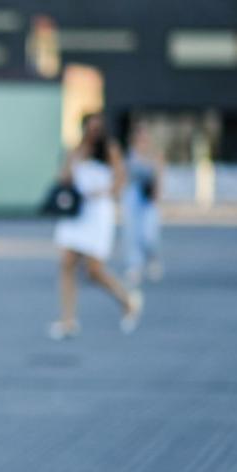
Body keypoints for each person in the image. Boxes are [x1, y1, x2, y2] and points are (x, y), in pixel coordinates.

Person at [50, 113, 143, 339]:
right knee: (67, 263)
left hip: (98, 213)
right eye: (89, 128)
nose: (93, 133)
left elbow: (120, 181)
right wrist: (72, 162)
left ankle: (127, 300)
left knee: (94, 270)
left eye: (97, 129)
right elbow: (63, 178)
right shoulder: (77, 150)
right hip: (77, 212)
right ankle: (67, 319)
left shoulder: (110, 150)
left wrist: (102, 192)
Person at [121, 124, 164, 287]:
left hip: (148, 198)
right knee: (132, 233)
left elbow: (159, 176)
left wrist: (158, 195)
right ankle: (134, 265)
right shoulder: (129, 155)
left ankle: (152, 257)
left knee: (148, 234)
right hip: (132, 195)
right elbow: (123, 175)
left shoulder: (154, 156)